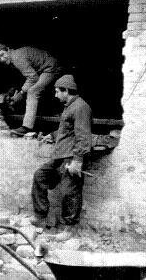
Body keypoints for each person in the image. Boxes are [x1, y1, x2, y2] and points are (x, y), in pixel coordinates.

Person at [30, 74, 92, 239]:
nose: (56, 95)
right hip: (60, 156)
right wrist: (52, 135)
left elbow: (83, 136)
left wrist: (77, 161)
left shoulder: (81, 107)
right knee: (40, 176)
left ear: (66, 91)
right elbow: (67, 129)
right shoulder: (69, 106)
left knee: (69, 192)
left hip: (71, 157)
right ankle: (41, 216)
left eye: (58, 91)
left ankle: (70, 229)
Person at [0, 43, 63, 137]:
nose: (2, 59)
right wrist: (15, 93)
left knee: (33, 91)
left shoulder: (16, 57)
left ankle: (26, 127)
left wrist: (21, 93)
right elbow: (26, 77)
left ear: (7, 50)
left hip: (50, 68)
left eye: (2, 55)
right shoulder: (13, 58)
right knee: (30, 89)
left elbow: (33, 78)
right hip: (42, 69)